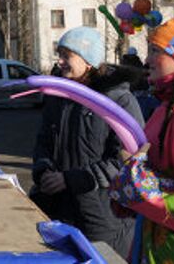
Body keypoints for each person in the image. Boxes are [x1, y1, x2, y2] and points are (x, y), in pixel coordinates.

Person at [31, 26, 143, 259]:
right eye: (59, 54)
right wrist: (43, 171)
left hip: (104, 218)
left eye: (66, 55)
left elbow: (126, 161)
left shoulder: (118, 100)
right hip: (59, 210)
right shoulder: (58, 96)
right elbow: (43, 141)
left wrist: (70, 179)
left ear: (88, 60)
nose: (59, 61)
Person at [111, 18, 174, 262]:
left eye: (155, 51)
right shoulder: (164, 107)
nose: (147, 60)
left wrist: (138, 187)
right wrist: (129, 194)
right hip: (151, 244)